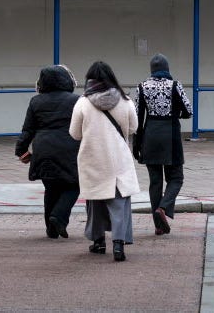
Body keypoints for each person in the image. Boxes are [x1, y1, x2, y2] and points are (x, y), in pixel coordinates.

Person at [69, 61, 139, 262]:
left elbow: (74, 133)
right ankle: (119, 244)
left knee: (95, 201)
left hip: (93, 159)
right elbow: (133, 128)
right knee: (119, 202)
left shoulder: (82, 103)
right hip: (119, 159)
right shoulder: (125, 101)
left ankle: (98, 241)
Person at [15, 65, 81, 239]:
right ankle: (58, 217)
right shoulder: (76, 100)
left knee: (51, 188)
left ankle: (51, 229)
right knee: (74, 185)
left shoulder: (36, 101)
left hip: (43, 150)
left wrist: (21, 151)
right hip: (69, 150)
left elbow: (27, 130)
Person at [133, 53, 192, 236]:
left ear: (151, 70)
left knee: (155, 182)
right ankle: (163, 209)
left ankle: (158, 225)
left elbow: (137, 116)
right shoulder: (175, 85)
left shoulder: (142, 87)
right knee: (176, 177)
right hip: (171, 134)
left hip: (150, 133)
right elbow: (188, 110)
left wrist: (137, 144)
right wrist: (177, 114)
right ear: (167, 69)